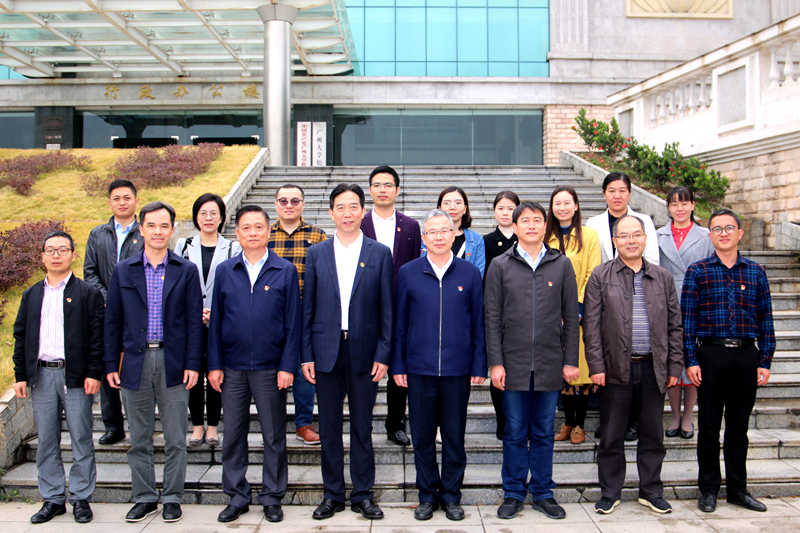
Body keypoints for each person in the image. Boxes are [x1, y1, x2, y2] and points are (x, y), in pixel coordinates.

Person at [104, 201, 203, 523]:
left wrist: (193, 364)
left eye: (164, 226)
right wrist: (110, 364)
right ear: (141, 229)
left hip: (173, 361)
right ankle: (145, 496)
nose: (158, 231)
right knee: (139, 437)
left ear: (172, 229)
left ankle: (172, 497)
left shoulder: (186, 270)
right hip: (135, 361)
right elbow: (112, 321)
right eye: (151, 225)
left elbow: (193, 322)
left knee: (175, 437)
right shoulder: (124, 270)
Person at [301, 183, 393, 521]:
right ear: (331, 213)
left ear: (363, 211)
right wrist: (306, 354)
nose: (347, 213)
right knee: (328, 427)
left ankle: (363, 495)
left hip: (365, 354)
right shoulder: (316, 253)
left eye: (353, 206)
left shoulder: (379, 253)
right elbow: (308, 309)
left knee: (362, 427)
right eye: (340, 207)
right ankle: (333, 494)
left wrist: (384, 353)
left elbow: (387, 308)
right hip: (326, 352)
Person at [484, 201, 579, 521]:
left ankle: (542, 492)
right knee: (514, 431)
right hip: (513, 364)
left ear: (545, 225)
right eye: (525, 221)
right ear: (515, 226)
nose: (532, 226)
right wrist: (496, 362)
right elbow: (491, 317)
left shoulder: (560, 264)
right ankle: (513, 492)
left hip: (550, 363)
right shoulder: (500, 265)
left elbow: (571, 316)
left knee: (542, 431)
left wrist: (570, 360)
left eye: (537, 220)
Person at [583, 215, 683, 515]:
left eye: (636, 235)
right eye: (624, 236)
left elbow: (675, 325)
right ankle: (610, 492)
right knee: (611, 434)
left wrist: (674, 366)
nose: (631, 241)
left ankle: (651, 491)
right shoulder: (601, 276)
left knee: (652, 434)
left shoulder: (662, 277)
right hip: (615, 368)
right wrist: (596, 366)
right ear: (615, 241)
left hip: (654, 367)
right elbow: (591, 327)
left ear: (644, 238)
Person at [208, 205, 301, 524]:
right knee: (233, 433)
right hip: (232, 368)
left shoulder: (284, 270)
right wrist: (215, 364)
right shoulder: (225, 270)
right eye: (246, 228)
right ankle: (237, 495)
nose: (252, 233)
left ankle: (272, 496)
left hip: (270, 368)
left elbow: (293, 323)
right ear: (237, 233)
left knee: (274, 434)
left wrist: (287, 366)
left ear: (268, 231)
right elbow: (217, 321)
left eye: (258, 227)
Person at [392, 209, 486, 522]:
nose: (439, 237)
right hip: (419, 369)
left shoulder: (469, 273)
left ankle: (451, 495)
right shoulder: (409, 272)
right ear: (424, 238)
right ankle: (427, 495)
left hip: (457, 370)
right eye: (432, 232)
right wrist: (398, 365)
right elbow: (400, 323)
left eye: (444, 230)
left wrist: (479, 364)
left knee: (454, 436)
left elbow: (478, 322)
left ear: (454, 233)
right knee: (422, 437)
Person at [682, 208, 774, 514]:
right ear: (710, 235)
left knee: (738, 427)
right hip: (711, 355)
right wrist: (691, 359)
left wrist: (765, 360)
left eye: (729, 228)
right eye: (717, 229)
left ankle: (738, 489)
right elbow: (687, 321)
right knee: (708, 427)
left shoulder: (756, 272)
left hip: (746, 356)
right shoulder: (698, 271)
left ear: (739, 233)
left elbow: (766, 319)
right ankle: (708, 489)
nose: (723, 233)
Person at [12, 231, 104, 524]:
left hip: (75, 376)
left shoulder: (87, 293)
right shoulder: (32, 295)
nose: (56, 255)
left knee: (81, 436)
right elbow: (21, 335)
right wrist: (20, 375)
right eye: (50, 250)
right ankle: (52, 498)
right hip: (42, 375)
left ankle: (81, 497)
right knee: (47, 440)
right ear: (42, 256)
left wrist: (94, 373)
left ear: (73, 255)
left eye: (62, 249)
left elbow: (97, 337)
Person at [586, 172, 659, 441]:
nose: (617, 196)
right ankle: (612, 421)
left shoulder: (645, 221)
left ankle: (634, 422)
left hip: (639, 294)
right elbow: (594, 259)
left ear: (629, 193)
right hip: (607, 294)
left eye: (622, 190)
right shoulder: (593, 223)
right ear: (604, 194)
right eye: (612, 190)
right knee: (611, 363)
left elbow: (652, 258)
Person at [361, 165, 422, 448]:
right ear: (370, 190)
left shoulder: (410, 226)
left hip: (401, 307)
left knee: (399, 365)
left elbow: (414, 266)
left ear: (397, 190)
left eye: (388, 185)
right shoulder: (360, 223)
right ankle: (362, 421)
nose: (382, 189)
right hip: (365, 307)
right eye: (377, 185)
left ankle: (396, 424)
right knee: (365, 366)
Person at [175, 193, 241, 448]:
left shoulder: (232, 248)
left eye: (214, 213)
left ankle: (212, 426)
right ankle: (197, 426)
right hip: (189, 323)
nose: (208, 218)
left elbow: (235, 287)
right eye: (203, 213)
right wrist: (194, 311)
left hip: (220, 322)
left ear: (222, 217)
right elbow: (176, 283)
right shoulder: (183, 245)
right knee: (193, 374)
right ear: (196, 217)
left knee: (216, 374)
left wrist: (216, 311)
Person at [84, 178, 143, 446]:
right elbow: (90, 272)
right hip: (105, 311)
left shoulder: (145, 232)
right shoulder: (98, 234)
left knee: (136, 366)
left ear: (136, 201)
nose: (122, 203)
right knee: (107, 365)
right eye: (116, 198)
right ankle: (113, 426)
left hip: (137, 312)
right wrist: (109, 299)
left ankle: (140, 424)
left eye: (126, 198)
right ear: (110, 202)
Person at [268, 183, 326, 446]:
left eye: (294, 201)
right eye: (283, 201)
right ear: (276, 204)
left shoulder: (318, 235)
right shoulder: (266, 234)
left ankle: (303, 423)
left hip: (305, 313)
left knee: (305, 371)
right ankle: (273, 424)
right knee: (271, 371)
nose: (289, 205)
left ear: (303, 204)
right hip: (271, 314)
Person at [544, 186, 601, 445]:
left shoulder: (589, 236)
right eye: (557, 203)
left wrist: (577, 307)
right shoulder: (546, 236)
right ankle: (567, 422)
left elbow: (593, 272)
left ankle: (579, 424)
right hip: (552, 314)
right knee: (561, 371)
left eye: (567, 203)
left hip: (580, 313)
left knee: (581, 370)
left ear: (576, 206)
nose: (562, 208)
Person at [656, 186, 714, 440]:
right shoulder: (658, 235)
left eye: (684, 203)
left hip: (697, 301)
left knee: (692, 360)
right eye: (674, 204)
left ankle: (688, 415)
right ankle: (675, 416)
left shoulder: (706, 236)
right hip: (666, 302)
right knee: (672, 360)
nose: (679, 209)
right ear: (668, 208)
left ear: (692, 205)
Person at [483, 190, 520, 441]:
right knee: (498, 370)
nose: (506, 213)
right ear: (494, 211)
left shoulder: (526, 239)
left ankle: (519, 420)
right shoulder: (485, 241)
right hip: (497, 313)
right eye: (501, 208)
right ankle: (502, 421)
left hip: (522, 313)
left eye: (510, 208)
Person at [436, 186, 485, 277]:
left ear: (465, 209)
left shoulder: (476, 240)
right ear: (439, 208)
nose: (452, 207)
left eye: (458, 203)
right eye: (447, 203)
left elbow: (478, 274)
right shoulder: (428, 237)